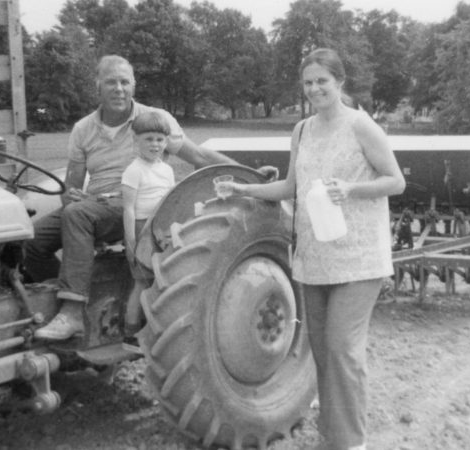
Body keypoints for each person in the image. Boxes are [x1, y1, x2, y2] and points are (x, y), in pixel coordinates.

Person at [217, 48, 405, 450]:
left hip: (359, 258)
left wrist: (350, 189)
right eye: (308, 82)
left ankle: (352, 443)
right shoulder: (301, 130)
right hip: (314, 259)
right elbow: (291, 188)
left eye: (323, 80)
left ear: (340, 82)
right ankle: (331, 439)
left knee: (342, 349)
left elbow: (396, 181)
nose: (315, 88)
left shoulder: (362, 126)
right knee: (322, 351)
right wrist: (242, 187)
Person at [26, 55, 243, 341]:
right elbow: (72, 187)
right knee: (31, 241)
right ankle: (63, 300)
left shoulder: (153, 120)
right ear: (98, 87)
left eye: (124, 82)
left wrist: (244, 174)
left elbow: (199, 155)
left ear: (134, 86)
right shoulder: (83, 129)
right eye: (111, 82)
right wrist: (72, 194)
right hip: (95, 206)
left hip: (135, 205)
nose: (118, 89)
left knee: (77, 215)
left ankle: (73, 313)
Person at [120, 111, 175, 352]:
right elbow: (129, 210)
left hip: (160, 230)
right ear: (136, 141)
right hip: (141, 231)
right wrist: (131, 243)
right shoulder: (134, 170)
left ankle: (155, 329)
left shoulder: (166, 170)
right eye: (148, 139)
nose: (155, 145)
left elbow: (171, 202)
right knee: (141, 283)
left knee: (161, 281)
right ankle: (130, 333)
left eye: (159, 140)